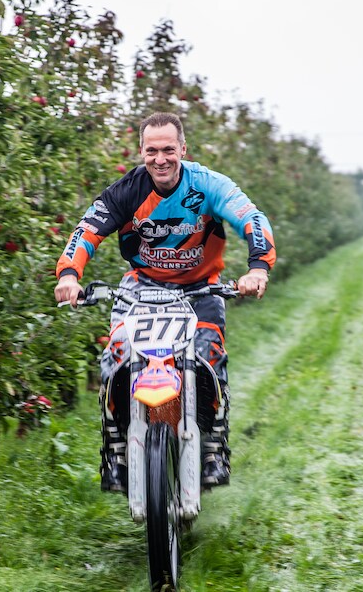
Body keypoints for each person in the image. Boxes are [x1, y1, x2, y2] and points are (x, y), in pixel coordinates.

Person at [54, 111, 276, 492]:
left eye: (169, 149)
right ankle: (117, 449)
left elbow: (250, 218)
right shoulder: (127, 191)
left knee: (209, 356)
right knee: (115, 359)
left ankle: (214, 446)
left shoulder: (208, 185)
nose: (161, 159)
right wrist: (70, 275)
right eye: (152, 150)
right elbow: (86, 231)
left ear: (183, 149)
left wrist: (258, 268)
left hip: (200, 288)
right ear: (141, 151)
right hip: (141, 287)